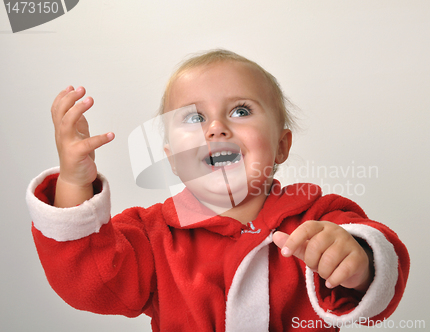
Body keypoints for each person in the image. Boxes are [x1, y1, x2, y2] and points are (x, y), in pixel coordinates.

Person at [26, 49, 410, 331]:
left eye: (240, 111)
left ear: (281, 145)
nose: (215, 128)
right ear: (173, 158)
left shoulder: (318, 218)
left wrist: (357, 261)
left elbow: (380, 273)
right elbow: (90, 281)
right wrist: (75, 183)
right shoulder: (152, 235)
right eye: (194, 117)